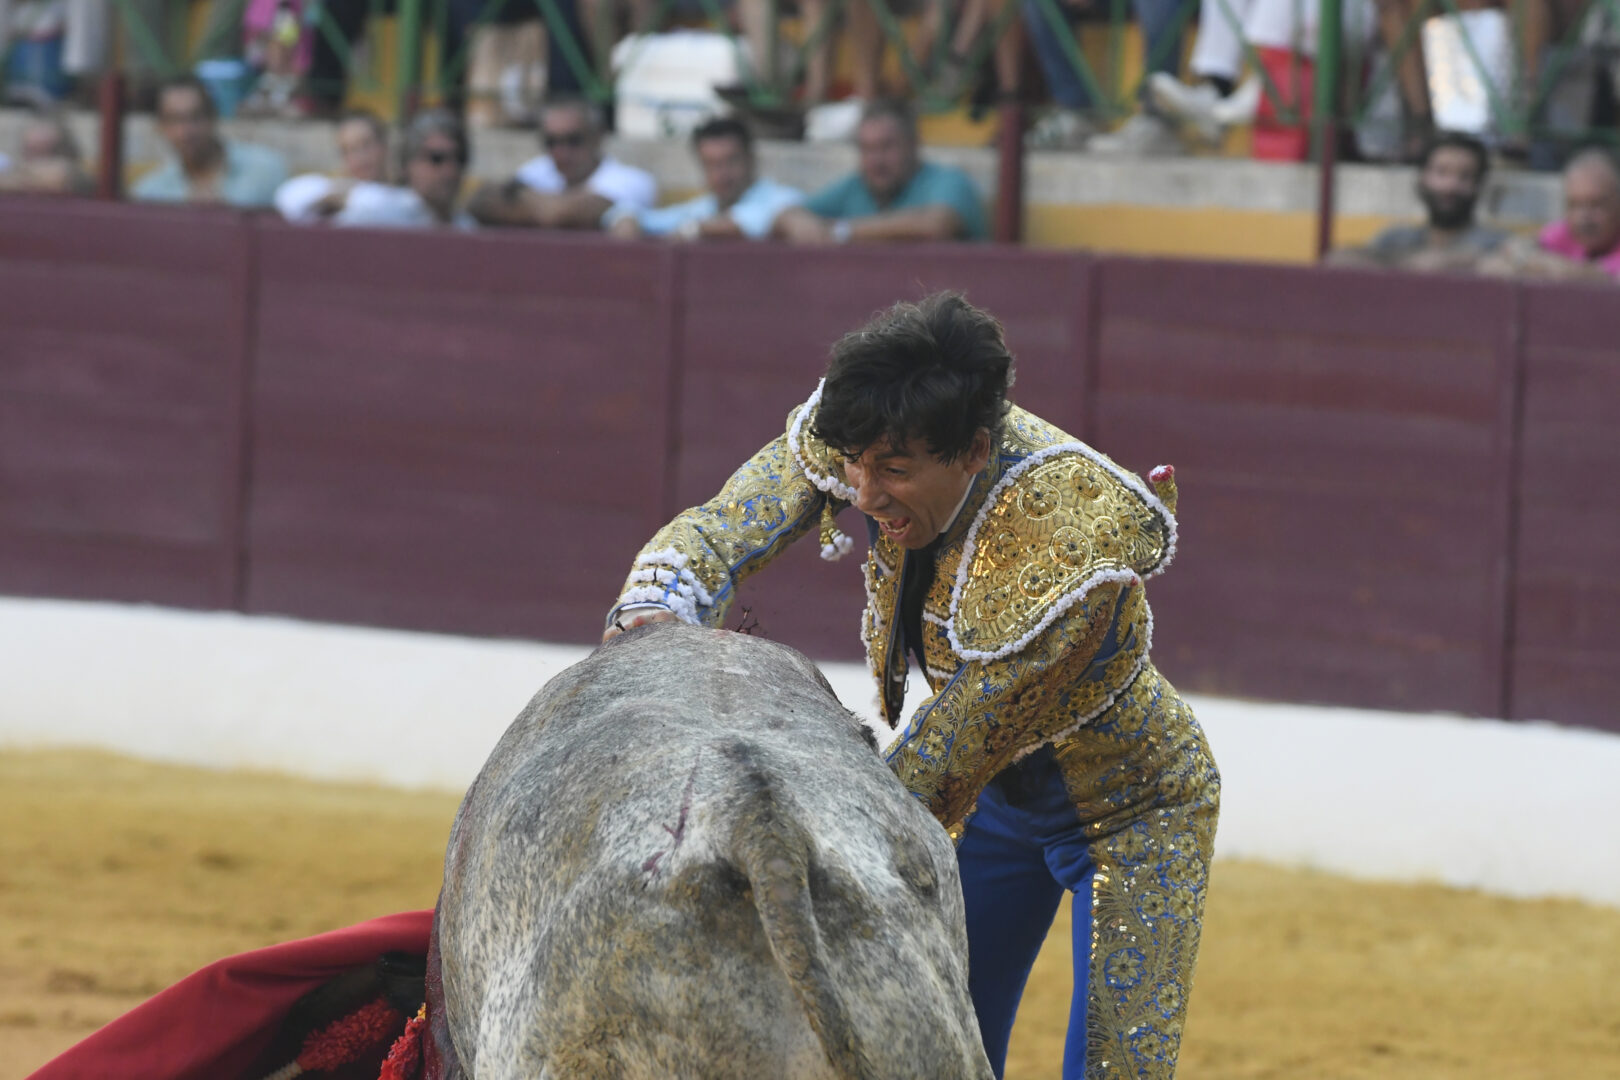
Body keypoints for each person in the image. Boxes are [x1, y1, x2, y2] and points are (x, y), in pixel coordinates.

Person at [603, 292, 1220, 1080]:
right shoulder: (866, 430)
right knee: (922, 1053)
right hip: (995, 806)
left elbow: (942, 761)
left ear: (973, 452)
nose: (864, 493)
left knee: (1114, 1070)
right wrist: (651, 610)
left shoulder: (1068, 548)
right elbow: (722, 530)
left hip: (1135, 809)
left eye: (894, 471)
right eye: (855, 466)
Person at [772, 101, 988, 244]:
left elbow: (937, 224)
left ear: (913, 144)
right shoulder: (856, 186)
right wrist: (796, 222)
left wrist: (842, 231)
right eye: (867, 149)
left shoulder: (949, 181)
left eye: (886, 146)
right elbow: (786, 217)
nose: (876, 160)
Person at [1329, 132, 1508, 271]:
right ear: (1422, 179)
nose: (1450, 186)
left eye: (1465, 176)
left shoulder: (1497, 244)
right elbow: (1339, 261)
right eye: (1441, 172)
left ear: (1479, 186)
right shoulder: (1394, 239)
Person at [468, 97, 656, 229]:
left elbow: (559, 215)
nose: (561, 152)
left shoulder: (632, 180)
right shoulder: (537, 170)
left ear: (597, 137)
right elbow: (480, 203)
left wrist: (522, 199)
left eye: (573, 140)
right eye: (551, 142)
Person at [606, 117, 801, 241]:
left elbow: (751, 222)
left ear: (751, 160)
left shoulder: (783, 199)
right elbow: (642, 217)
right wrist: (626, 218)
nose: (722, 174)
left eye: (731, 161)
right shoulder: (702, 209)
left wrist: (695, 230)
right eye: (712, 164)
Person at [279, 110, 477, 229]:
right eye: (436, 159)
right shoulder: (351, 197)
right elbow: (291, 198)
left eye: (367, 145)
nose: (450, 170)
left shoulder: (405, 204)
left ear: (385, 146)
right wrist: (338, 195)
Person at [130, 75, 288, 208]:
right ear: (160, 126)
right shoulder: (151, 193)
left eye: (195, 117)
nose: (185, 131)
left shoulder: (266, 170)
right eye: (174, 120)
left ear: (212, 117)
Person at [273, 108, 390, 223]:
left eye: (366, 144)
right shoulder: (332, 190)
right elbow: (288, 198)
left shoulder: (398, 195)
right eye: (349, 150)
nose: (360, 157)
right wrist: (329, 197)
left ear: (383, 145)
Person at [1536, 148, 1620, 277]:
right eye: (1574, 205)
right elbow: (1520, 251)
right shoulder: (1564, 232)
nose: (1584, 217)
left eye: (1596, 204)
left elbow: (1610, 276)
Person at [0, 108, 92, 196]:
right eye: (29, 151)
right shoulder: (8, 166)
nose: (31, 165)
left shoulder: (64, 172)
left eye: (41, 152)